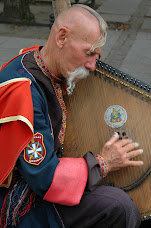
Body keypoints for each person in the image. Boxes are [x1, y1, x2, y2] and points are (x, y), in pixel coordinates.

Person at [0, 4, 143, 228]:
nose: (93, 65)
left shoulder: (46, 63)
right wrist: (103, 163)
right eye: (88, 53)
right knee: (119, 206)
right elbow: (44, 178)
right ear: (62, 37)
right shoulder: (23, 91)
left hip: (51, 184)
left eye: (97, 55)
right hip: (26, 203)